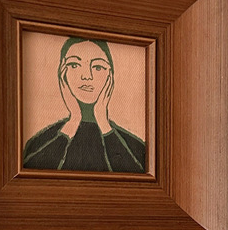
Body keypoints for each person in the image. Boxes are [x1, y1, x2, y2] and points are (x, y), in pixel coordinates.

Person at [23, 37, 146, 173]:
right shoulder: (40, 143)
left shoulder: (135, 147)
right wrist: (74, 119)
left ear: (110, 76)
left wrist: (103, 122)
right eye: (74, 65)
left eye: (98, 67)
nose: (87, 76)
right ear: (62, 74)